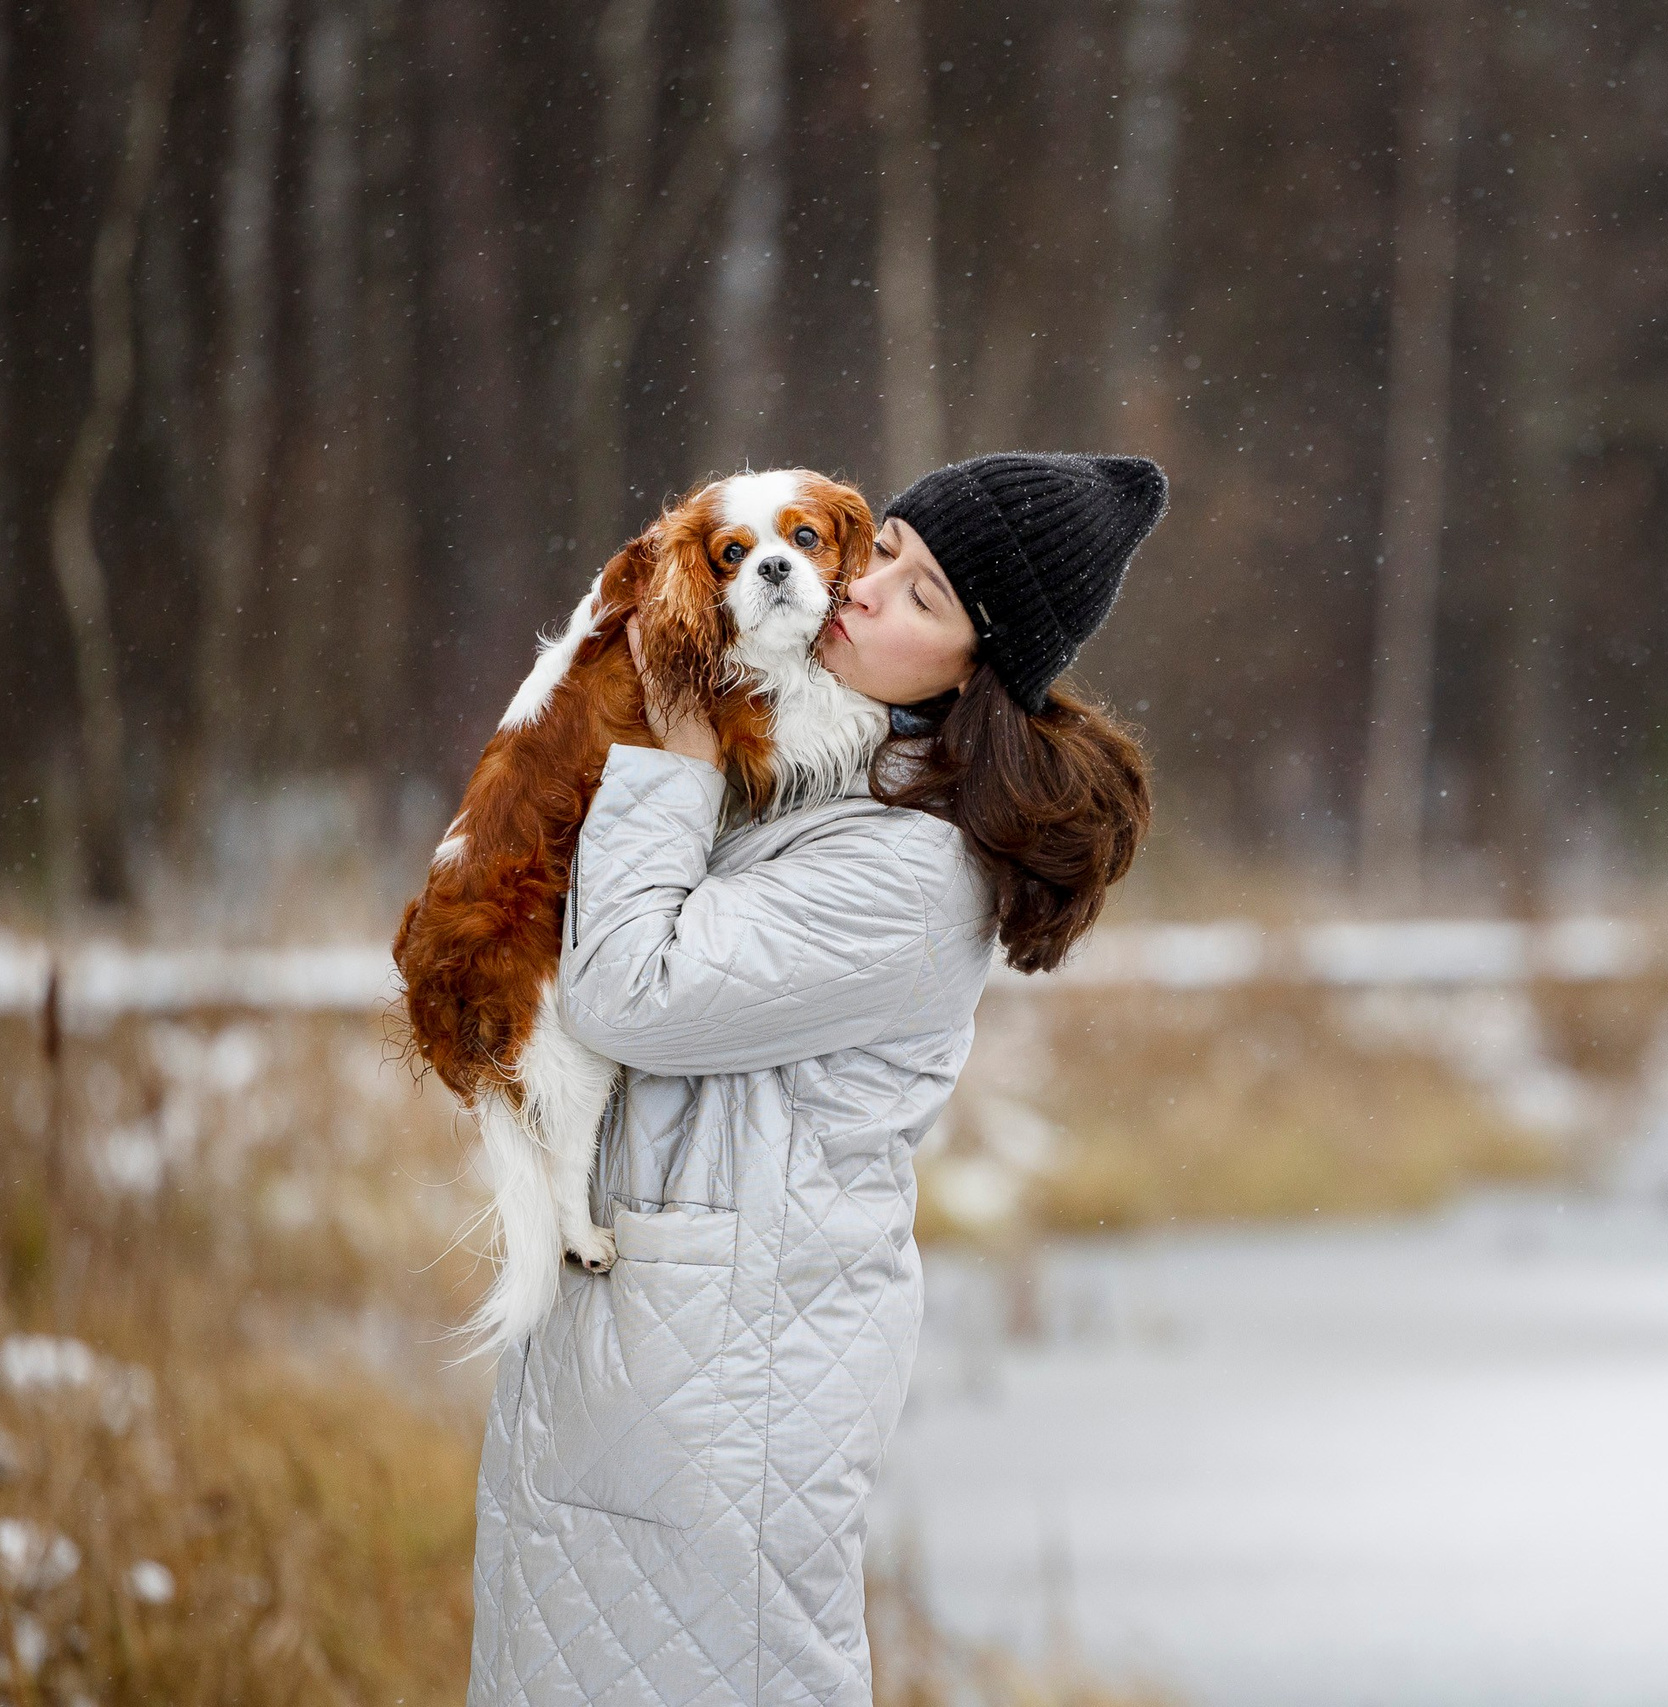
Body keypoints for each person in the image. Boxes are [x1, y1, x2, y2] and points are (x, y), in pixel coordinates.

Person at [465, 453, 1166, 1706]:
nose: (865, 588)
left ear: (974, 677)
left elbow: (630, 990)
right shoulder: (825, 765)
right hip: (654, 1370)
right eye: (884, 546)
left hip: (721, 1400)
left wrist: (675, 748)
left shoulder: (913, 874)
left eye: (924, 597)